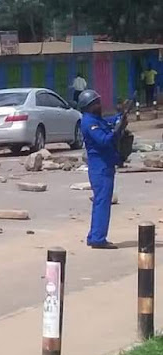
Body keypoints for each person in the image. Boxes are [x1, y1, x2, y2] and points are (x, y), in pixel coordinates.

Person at [77, 90, 127, 250]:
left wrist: (120, 118)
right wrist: (117, 131)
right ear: (89, 106)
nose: (99, 105)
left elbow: (108, 123)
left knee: (101, 202)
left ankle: (94, 236)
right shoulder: (88, 122)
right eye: (96, 103)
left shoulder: (96, 119)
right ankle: (98, 238)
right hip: (100, 167)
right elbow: (104, 140)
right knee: (102, 203)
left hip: (105, 165)